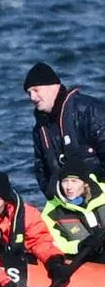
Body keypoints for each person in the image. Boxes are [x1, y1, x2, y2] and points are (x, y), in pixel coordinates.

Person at [26, 61, 105, 196]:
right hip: (65, 200)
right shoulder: (40, 128)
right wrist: (51, 194)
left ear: (53, 87)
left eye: (36, 90)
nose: (32, 97)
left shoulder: (88, 109)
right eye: (29, 93)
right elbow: (41, 168)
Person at [41, 156, 105, 254]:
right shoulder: (51, 211)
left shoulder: (103, 193)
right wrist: (79, 246)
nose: (69, 187)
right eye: (65, 181)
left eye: (74, 181)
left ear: (85, 183)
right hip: (84, 258)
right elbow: (52, 243)